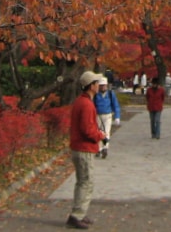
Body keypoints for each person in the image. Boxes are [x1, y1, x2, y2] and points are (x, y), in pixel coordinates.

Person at [67, 71, 107, 230]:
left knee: (82, 181)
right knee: (86, 182)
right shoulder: (86, 104)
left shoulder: (81, 102)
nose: (99, 85)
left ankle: (79, 213)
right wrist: (100, 135)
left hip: (79, 146)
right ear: (91, 86)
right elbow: (87, 129)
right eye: (97, 83)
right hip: (84, 147)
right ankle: (77, 215)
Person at [92, 78, 121, 158]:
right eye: (101, 86)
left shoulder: (110, 94)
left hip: (108, 115)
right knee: (98, 132)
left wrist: (117, 116)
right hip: (98, 115)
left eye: (104, 86)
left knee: (106, 132)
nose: (103, 87)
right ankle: (99, 148)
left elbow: (116, 105)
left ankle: (105, 147)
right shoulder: (96, 94)